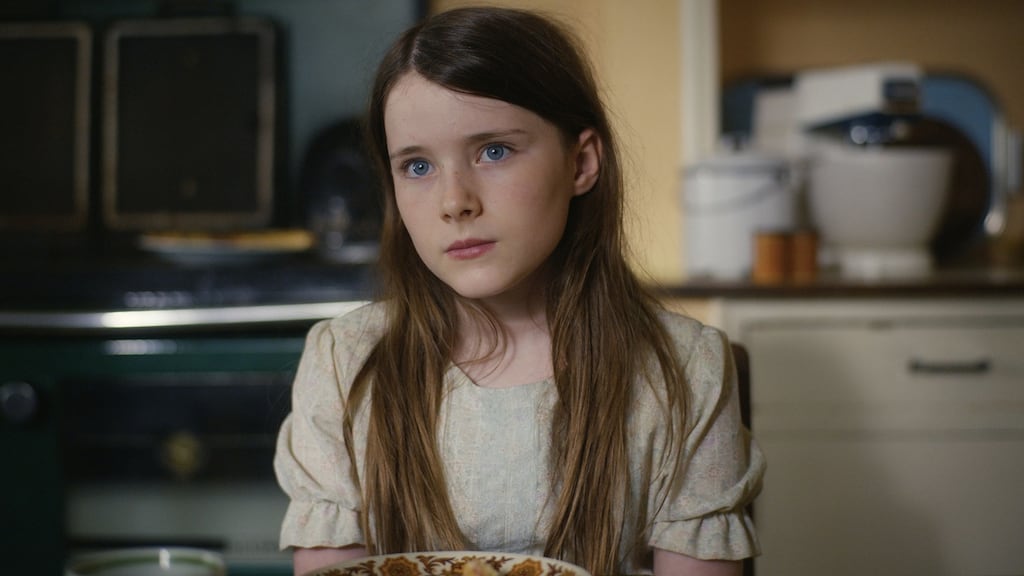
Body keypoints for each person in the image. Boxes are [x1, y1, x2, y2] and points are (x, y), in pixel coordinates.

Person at [274, 6, 765, 576]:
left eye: (494, 151)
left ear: (581, 163)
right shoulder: (344, 365)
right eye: (416, 166)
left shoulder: (685, 372)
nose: (454, 201)